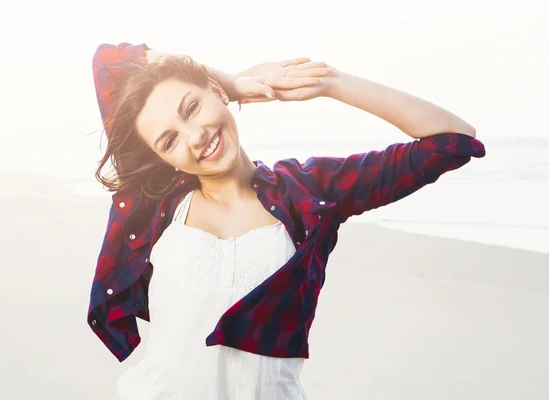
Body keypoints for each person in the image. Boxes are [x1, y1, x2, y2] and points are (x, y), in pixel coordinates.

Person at [87, 42, 485, 400]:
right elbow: (109, 59)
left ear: (214, 93)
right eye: (169, 140)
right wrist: (237, 84)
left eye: (192, 108)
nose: (194, 136)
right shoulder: (155, 202)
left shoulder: (308, 192)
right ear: (162, 157)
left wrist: (331, 83)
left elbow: (452, 141)